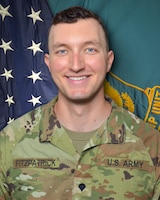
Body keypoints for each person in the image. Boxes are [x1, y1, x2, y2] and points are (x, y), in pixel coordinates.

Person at [0, 6, 160, 200]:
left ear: (108, 61)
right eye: (62, 51)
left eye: (90, 49)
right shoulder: (9, 144)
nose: (76, 65)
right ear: (48, 63)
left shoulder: (151, 145)